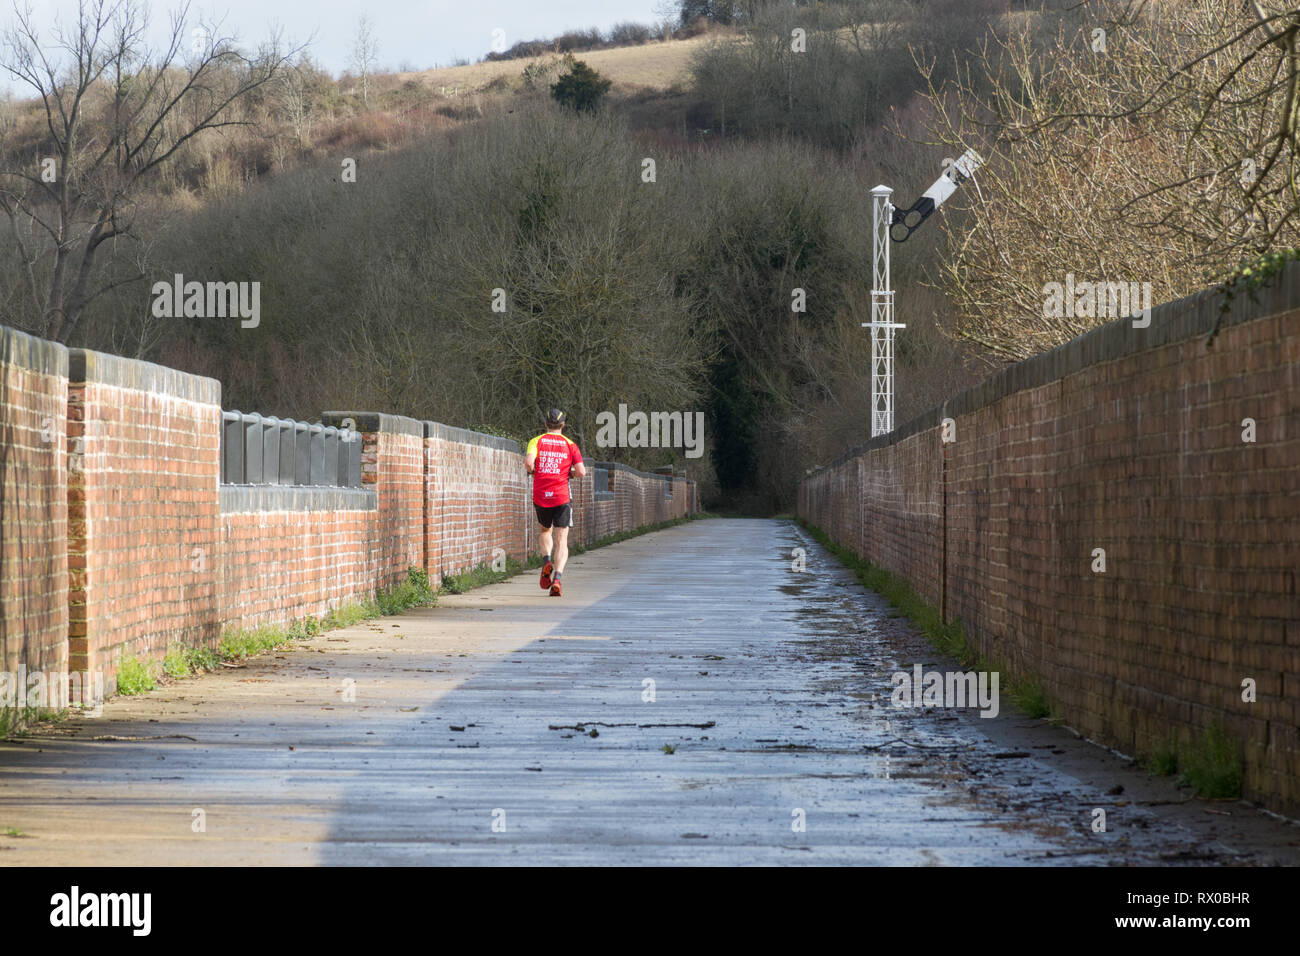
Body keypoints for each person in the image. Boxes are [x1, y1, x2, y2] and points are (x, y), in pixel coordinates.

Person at [525, 408, 586, 597]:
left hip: (541, 494)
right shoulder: (570, 445)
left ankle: (546, 561)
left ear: (546, 425)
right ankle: (557, 578)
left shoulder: (536, 441)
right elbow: (581, 472)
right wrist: (568, 474)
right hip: (561, 496)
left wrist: (536, 473)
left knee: (545, 531)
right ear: (563, 425)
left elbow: (528, 463)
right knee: (562, 539)